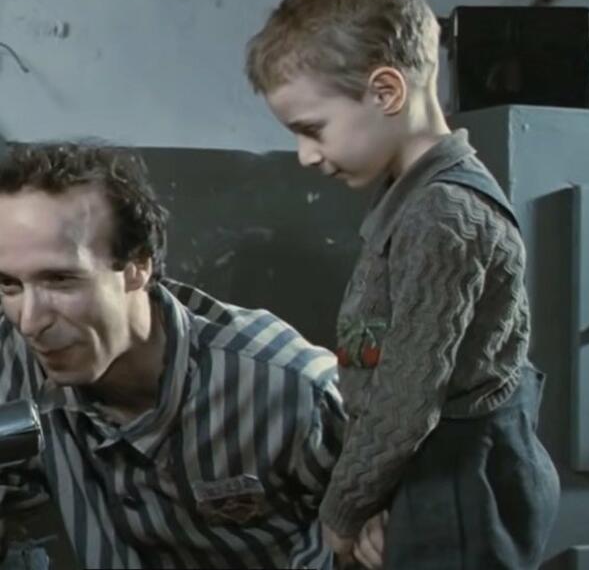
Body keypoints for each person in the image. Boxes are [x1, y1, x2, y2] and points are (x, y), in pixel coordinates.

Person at [245, 0, 560, 568]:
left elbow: (405, 400)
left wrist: (343, 513)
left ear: (386, 91)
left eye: (312, 129)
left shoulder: (444, 214)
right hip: (422, 469)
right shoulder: (410, 196)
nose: (305, 155)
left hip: (459, 483)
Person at [0, 143, 345, 570]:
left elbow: (373, 525)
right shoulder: (10, 364)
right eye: (9, 285)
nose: (29, 321)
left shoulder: (287, 387)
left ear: (137, 267)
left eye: (60, 280)